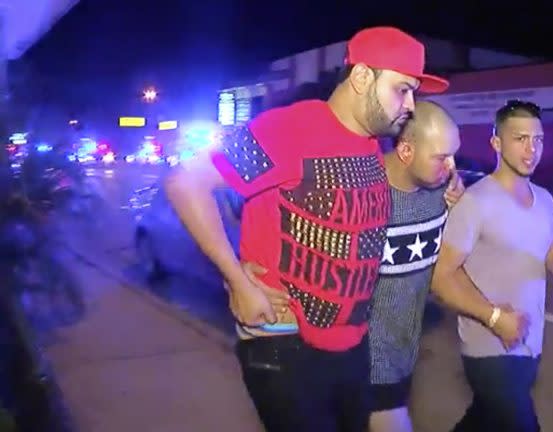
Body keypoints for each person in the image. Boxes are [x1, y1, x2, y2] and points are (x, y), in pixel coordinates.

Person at [164, 26, 448, 432]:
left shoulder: (370, 146)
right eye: (402, 89)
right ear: (363, 77)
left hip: (351, 347)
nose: (411, 105)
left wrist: (442, 185)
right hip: (286, 347)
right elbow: (187, 185)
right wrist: (237, 278)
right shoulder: (287, 129)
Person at [431, 100, 553, 432]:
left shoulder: (546, 200)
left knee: (483, 422)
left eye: (538, 139)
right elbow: (441, 276)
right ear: (496, 143)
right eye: (520, 138)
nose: (531, 149)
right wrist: (495, 318)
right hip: (490, 349)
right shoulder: (475, 202)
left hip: (529, 344)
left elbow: (552, 251)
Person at [367, 100, 463, 432]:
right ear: (406, 151)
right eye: (441, 157)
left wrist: (457, 212)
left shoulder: (440, 193)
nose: (452, 166)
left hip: (404, 359)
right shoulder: (363, 193)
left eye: (454, 155)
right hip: (359, 364)